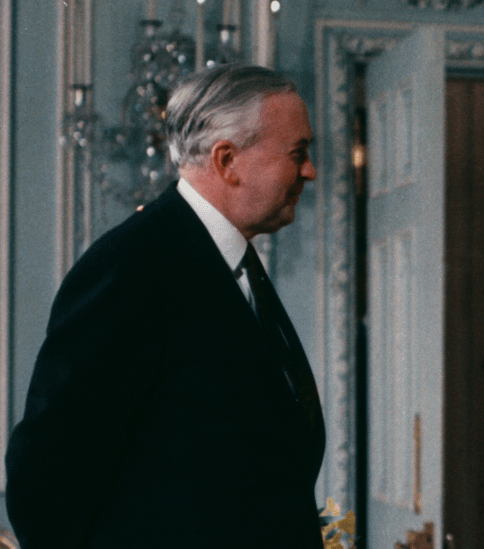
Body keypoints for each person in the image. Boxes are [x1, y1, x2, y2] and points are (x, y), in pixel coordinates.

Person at [5, 64, 325, 548]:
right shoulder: (132, 266)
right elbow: (45, 479)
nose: (310, 171)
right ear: (227, 161)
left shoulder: (233, 263)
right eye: (298, 153)